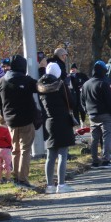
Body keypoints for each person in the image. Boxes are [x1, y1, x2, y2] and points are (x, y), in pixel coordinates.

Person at [0, 55, 40, 189]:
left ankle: (16, 178)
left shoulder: (2, 81)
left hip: (10, 121)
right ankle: (23, 179)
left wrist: (5, 116)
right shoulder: (27, 80)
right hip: (26, 120)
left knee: (15, 150)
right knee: (25, 150)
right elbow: (40, 88)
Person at [37, 62, 76, 193]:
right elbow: (71, 102)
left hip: (48, 121)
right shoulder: (60, 85)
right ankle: (61, 184)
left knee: (50, 155)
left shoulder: (40, 86)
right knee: (62, 154)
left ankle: (49, 186)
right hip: (62, 121)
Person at [81, 61, 111, 168]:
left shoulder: (86, 84)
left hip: (92, 115)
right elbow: (110, 101)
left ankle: (95, 161)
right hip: (105, 114)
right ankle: (106, 160)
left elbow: (82, 101)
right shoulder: (103, 83)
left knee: (94, 138)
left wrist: (87, 111)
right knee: (107, 137)